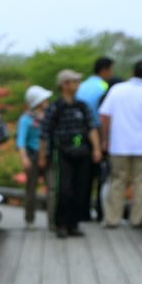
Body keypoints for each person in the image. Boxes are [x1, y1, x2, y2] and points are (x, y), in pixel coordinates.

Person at [99, 60, 142, 228]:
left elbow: (105, 115)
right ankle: (137, 219)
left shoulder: (117, 90)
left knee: (117, 181)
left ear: (132, 72)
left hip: (119, 143)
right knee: (140, 182)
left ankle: (113, 218)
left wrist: (105, 139)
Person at [39, 69, 103, 238]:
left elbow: (91, 128)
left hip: (81, 151)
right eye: (74, 81)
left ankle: (73, 224)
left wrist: (96, 149)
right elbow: (45, 133)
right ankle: (61, 223)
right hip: (62, 152)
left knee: (79, 189)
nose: (77, 85)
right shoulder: (56, 108)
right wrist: (42, 156)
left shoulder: (82, 106)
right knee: (64, 189)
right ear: (65, 85)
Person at [76, 57, 114, 221]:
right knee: (102, 173)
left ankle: (82, 212)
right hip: (98, 133)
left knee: (83, 174)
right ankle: (100, 211)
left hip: (78, 135)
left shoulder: (81, 86)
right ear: (104, 69)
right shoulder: (104, 86)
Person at [17, 85, 52, 229]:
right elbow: (21, 140)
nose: (47, 102)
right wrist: (24, 158)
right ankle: (29, 220)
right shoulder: (26, 119)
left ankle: (53, 220)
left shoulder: (50, 117)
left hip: (48, 156)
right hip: (32, 156)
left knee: (52, 188)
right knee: (31, 189)